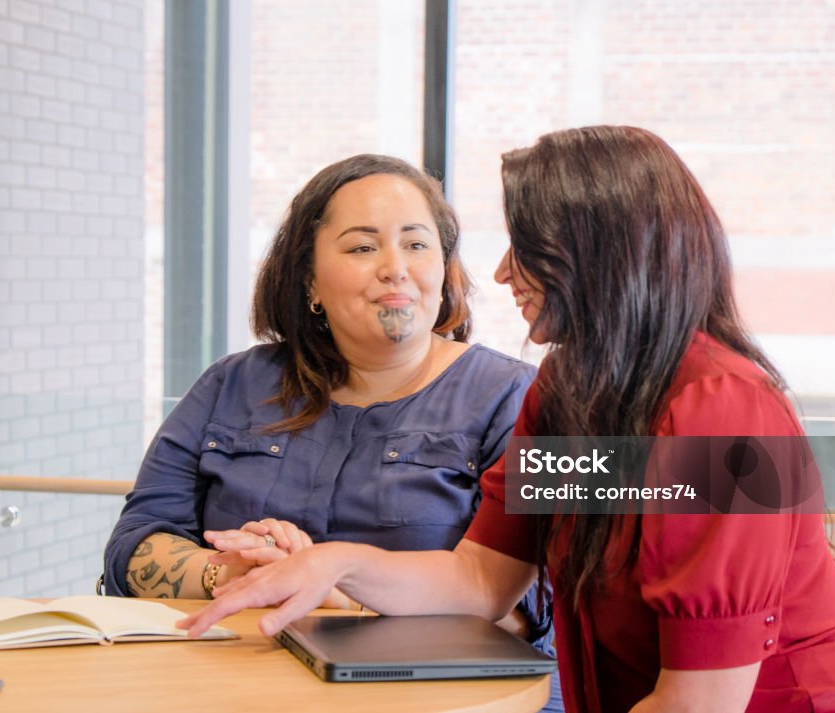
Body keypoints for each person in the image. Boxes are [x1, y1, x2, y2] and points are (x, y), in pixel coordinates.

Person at [178, 127, 835, 713]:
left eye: (524, 248)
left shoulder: (724, 415)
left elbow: (699, 702)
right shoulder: (571, 389)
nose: (498, 273)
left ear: (601, 257)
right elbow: (481, 577)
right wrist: (336, 560)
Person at [103, 154, 562, 708]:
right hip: (228, 687)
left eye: (416, 245)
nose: (395, 267)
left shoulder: (521, 396)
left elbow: (538, 603)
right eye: (362, 247)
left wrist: (340, 586)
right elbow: (133, 547)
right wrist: (231, 571)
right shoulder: (232, 383)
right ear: (308, 279)